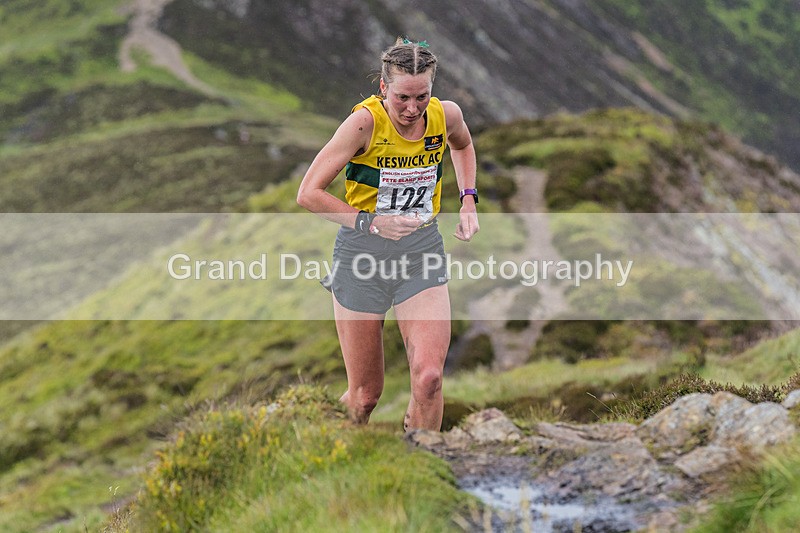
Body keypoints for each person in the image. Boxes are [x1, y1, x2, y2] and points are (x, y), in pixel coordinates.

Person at [296, 38, 479, 431]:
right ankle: (313, 447)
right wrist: (372, 221)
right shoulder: (363, 123)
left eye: (421, 96)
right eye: (401, 98)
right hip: (363, 255)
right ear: (383, 88)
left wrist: (468, 200)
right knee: (364, 397)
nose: (412, 109)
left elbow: (462, 145)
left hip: (421, 251)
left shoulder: (445, 115)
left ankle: (423, 468)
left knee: (429, 379)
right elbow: (308, 194)